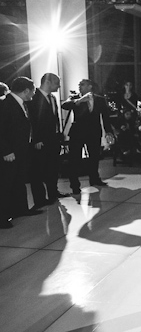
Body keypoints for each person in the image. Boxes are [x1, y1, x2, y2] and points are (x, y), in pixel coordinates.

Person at [0, 77, 42, 229]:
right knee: (6, 184)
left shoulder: (21, 103)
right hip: (10, 153)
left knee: (19, 181)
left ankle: (20, 209)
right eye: (33, 91)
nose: (33, 94)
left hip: (21, 150)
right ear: (26, 91)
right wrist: (6, 151)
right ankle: (2, 217)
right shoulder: (5, 103)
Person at [61, 79, 113, 194]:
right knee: (74, 159)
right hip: (77, 133)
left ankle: (94, 178)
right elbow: (64, 106)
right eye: (79, 85)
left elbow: (105, 117)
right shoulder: (74, 98)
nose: (80, 87)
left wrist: (108, 131)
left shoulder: (99, 99)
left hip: (94, 132)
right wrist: (79, 101)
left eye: (82, 85)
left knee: (94, 157)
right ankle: (75, 185)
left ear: (90, 86)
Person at [28, 73, 69, 209]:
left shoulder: (52, 97)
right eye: (57, 83)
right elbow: (33, 121)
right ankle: (40, 199)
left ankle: (53, 193)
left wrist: (59, 134)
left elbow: (54, 119)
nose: (59, 86)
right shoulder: (34, 98)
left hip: (53, 139)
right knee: (39, 170)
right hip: (41, 141)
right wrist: (36, 139)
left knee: (53, 167)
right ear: (48, 82)